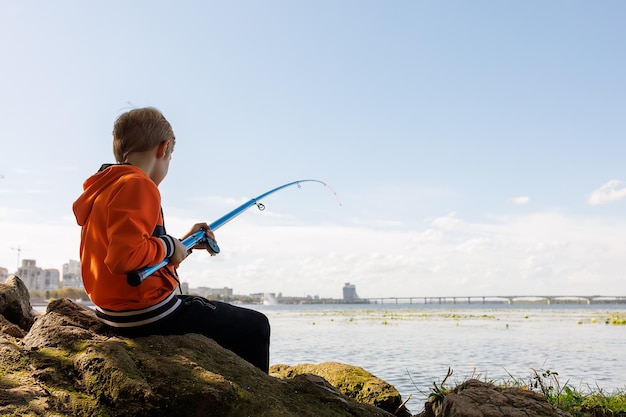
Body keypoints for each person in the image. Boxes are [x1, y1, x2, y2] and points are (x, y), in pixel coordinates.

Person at [72, 106, 270, 373]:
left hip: (112, 314)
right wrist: (168, 245)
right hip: (147, 316)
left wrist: (183, 243)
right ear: (163, 149)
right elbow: (122, 258)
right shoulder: (139, 184)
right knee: (256, 326)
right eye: (170, 158)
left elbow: (136, 261)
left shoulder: (105, 188)